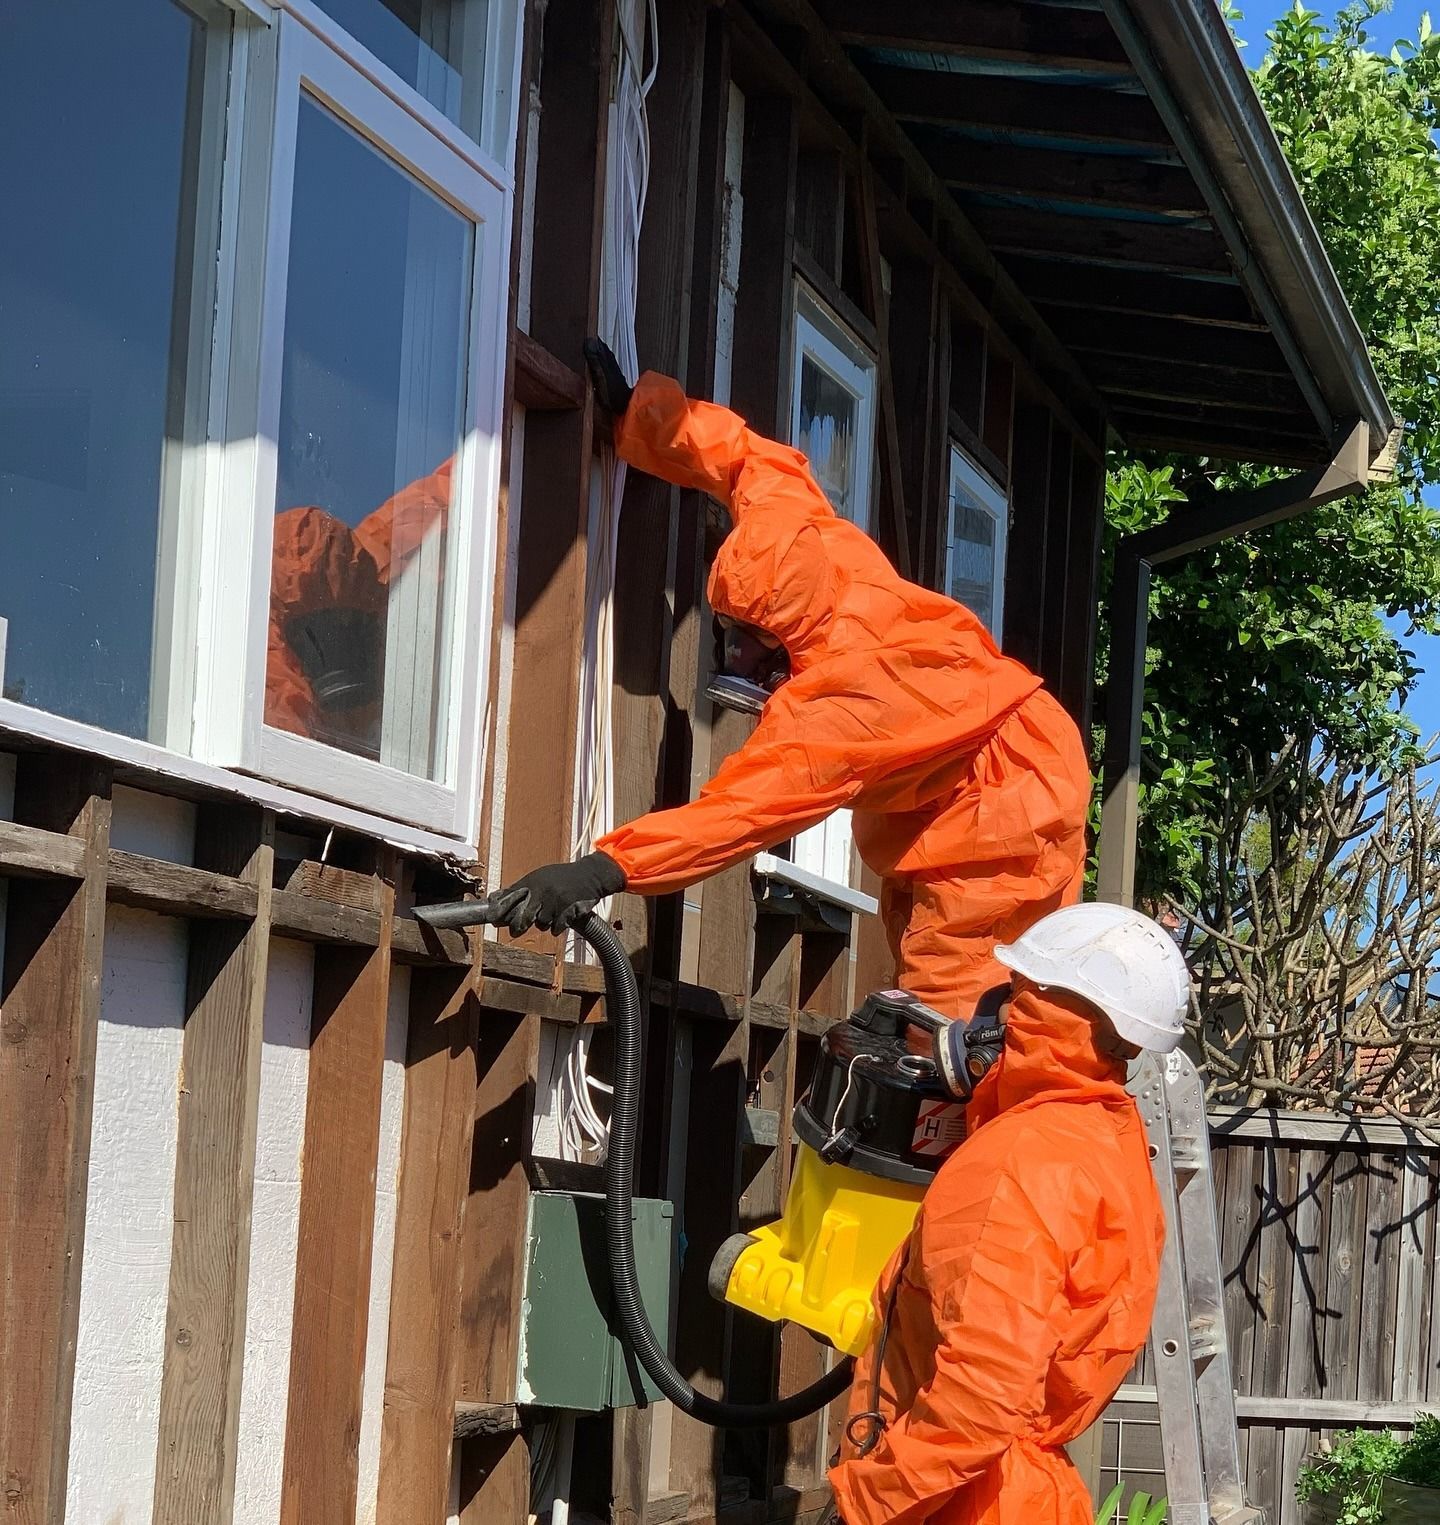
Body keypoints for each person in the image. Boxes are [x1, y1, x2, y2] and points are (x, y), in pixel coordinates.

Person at [492, 342, 1093, 1017]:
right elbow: (747, 460)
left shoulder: (840, 706)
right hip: (958, 763)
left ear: (788, 639)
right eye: (729, 633)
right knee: (926, 947)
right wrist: (643, 414)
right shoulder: (794, 532)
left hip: (1009, 792)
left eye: (752, 647)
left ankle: (956, 1115)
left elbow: (735, 816)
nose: (736, 660)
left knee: (954, 1001)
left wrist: (602, 869)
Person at [826, 901, 1183, 1525]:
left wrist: (863, 1500)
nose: (994, 1012)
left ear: (1045, 1008)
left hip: (960, 1500)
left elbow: (980, 1399)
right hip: (1019, 1495)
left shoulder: (1018, 1163)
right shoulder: (1104, 1135)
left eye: (1015, 990)